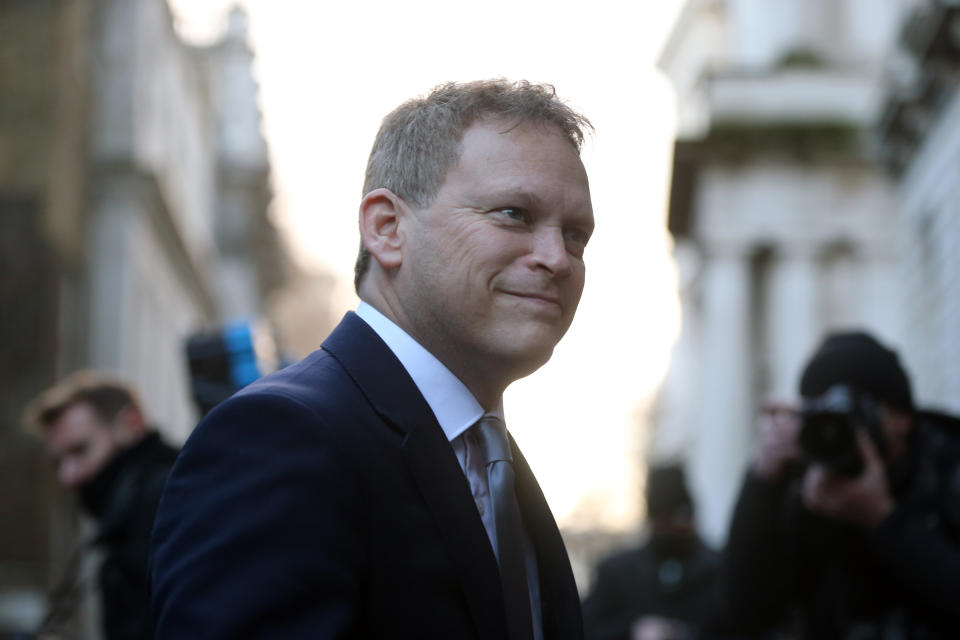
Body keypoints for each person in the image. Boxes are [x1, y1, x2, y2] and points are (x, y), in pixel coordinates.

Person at [150, 79, 596, 639]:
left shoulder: (491, 456)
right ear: (387, 229)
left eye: (577, 235)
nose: (557, 258)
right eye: (514, 214)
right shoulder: (277, 438)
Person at [712, 331, 960, 639]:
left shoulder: (946, 466)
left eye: (861, 411)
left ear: (903, 418)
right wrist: (761, 483)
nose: (845, 431)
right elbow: (745, 614)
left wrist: (883, 521)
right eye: (827, 413)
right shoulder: (804, 480)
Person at [23, 371, 178, 640]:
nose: (67, 476)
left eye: (80, 450)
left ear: (133, 424)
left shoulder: (165, 502)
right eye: (58, 462)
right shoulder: (133, 508)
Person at [582, 465, 720, 640]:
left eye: (680, 520)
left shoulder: (718, 570)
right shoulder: (617, 573)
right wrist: (632, 631)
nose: (674, 529)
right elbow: (583, 628)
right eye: (666, 522)